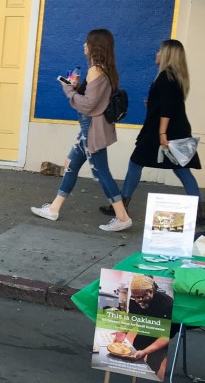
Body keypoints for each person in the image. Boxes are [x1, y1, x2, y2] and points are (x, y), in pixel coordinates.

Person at [30, 29, 134, 232]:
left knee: (102, 172)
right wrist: (76, 86)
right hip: (90, 127)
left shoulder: (96, 70)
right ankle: (54, 208)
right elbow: (93, 99)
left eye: (86, 43)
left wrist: (68, 90)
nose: (83, 46)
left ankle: (122, 217)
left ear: (94, 46)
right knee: (71, 165)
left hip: (91, 128)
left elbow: (88, 105)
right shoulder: (106, 69)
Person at [102, 39, 205, 226]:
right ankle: (199, 213)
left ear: (167, 54)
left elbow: (166, 109)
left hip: (160, 132)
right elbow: (169, 104)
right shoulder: (175, 77)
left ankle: (122, 205)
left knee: (136, 163)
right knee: (182, 170)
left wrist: (162, 134)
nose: (156, 53)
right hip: (176, 129)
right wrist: (152, 105)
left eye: (159, 50)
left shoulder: (166, 77)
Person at [112, 274, 172, 378]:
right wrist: (123, 331)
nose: (137, 301)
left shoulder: (167, 304)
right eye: (134, 297)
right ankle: (131, 382)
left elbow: (165, 337)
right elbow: (131, 319)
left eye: (140, 297)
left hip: (159, 340)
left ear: (150, 291)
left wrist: (145, 352)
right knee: (133, 361)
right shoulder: (134, 299)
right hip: (142, 334)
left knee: (152, 369)